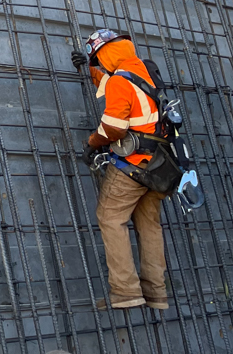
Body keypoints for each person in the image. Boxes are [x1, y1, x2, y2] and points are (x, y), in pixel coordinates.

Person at [71, 29, 170, 310]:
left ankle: (125, 292)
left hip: (133, 164)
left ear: (106, 55)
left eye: (99, 59)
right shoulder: (144, 70)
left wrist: (93, 142)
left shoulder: (118, 81)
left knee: (110, 217)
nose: (100, 64)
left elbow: (114, 125)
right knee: (149, 225)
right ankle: (156, 293)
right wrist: (90, 70)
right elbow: (125, 89)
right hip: (158, 165)